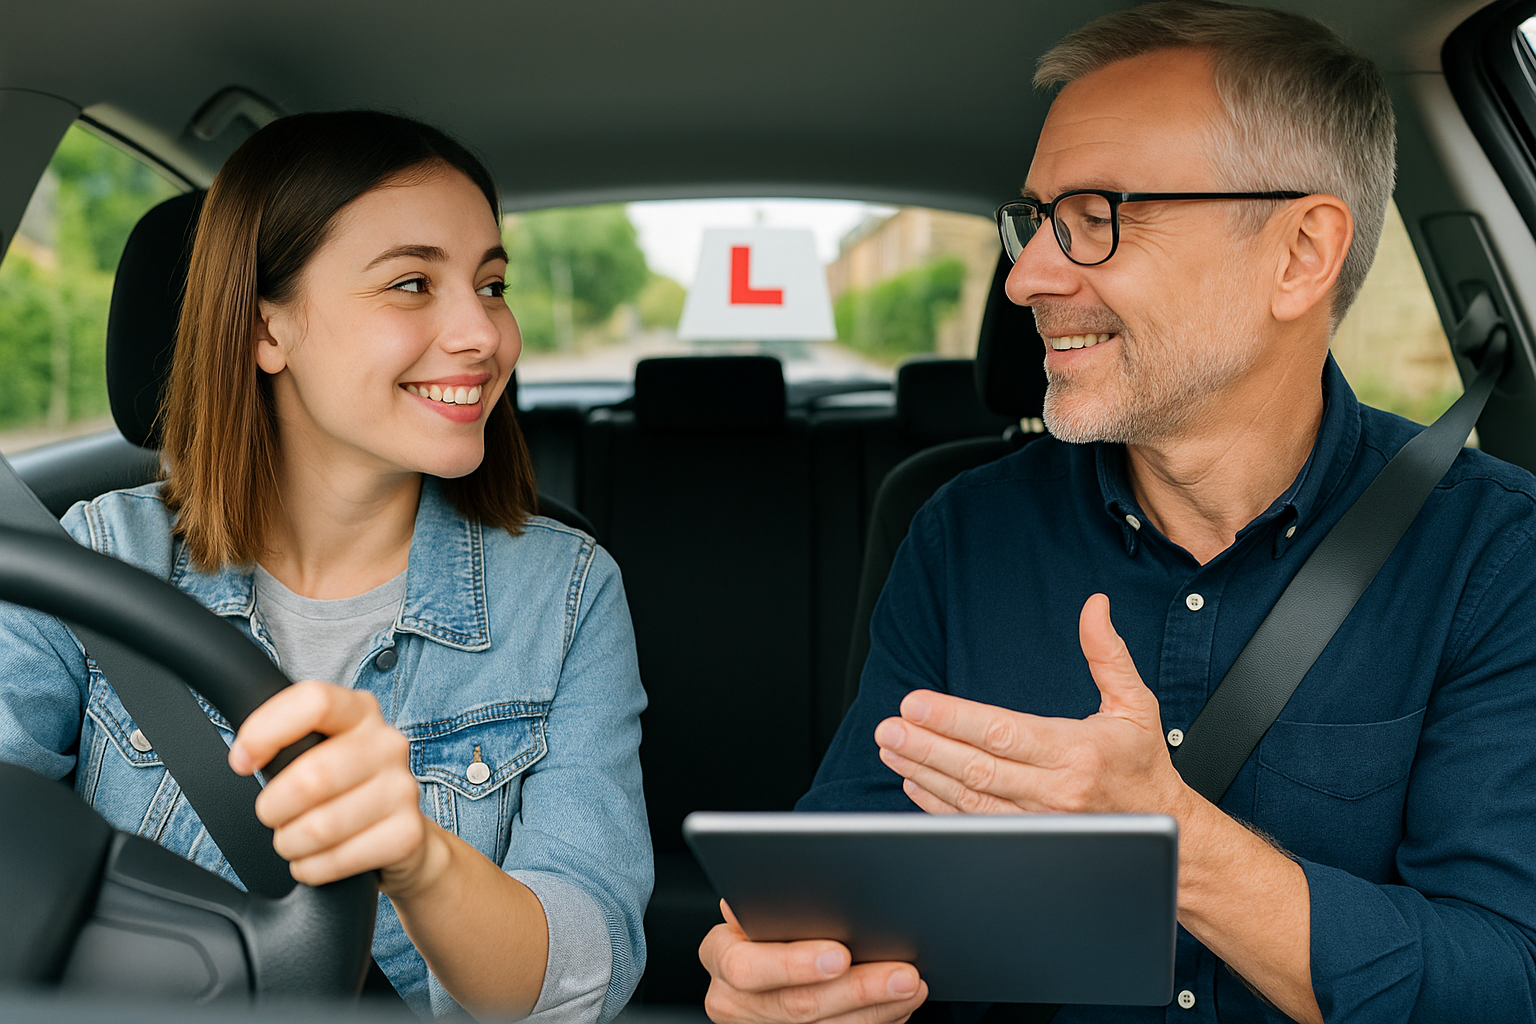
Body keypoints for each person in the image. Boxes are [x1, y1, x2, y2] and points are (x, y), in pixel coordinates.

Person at [699, 3, 1536, 1023]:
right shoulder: (963, 537)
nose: (1027, 278)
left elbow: (1504, 979)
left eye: (1096, 217)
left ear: (1301, 252)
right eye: (1037, 220)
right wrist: (790, 985)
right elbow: (840, 906)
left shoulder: (1493, 554)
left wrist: (1168, 839)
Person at [0, 111, 651, 1022]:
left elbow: (582, 975)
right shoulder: (95, 559)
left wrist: (423, 862)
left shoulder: (567, 595)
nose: (485, 333)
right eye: (414, 283)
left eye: (491, 284)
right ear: (268, 330)